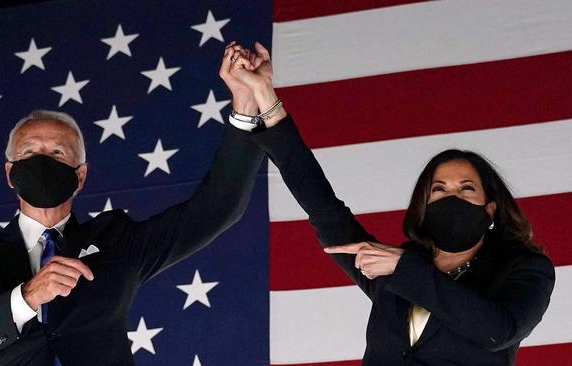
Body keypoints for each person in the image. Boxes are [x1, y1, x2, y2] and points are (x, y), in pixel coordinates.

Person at [0, 43, 263, 366]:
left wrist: (246, 106)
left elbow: (218, 209)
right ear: (9, 172)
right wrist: (28, 296)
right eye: (30, 152)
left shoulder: (116, 240)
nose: (43, 162)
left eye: (57, 153)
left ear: (80, 176)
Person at [226, 42, 556, 365]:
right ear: (424, 205)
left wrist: (405, 268)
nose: (451, 195)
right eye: (438, 189)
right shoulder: (394, 266)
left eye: (466, 188)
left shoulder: (524, 269)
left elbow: (499, 330)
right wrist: (265, 96)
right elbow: (323, 207)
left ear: (491, 208)